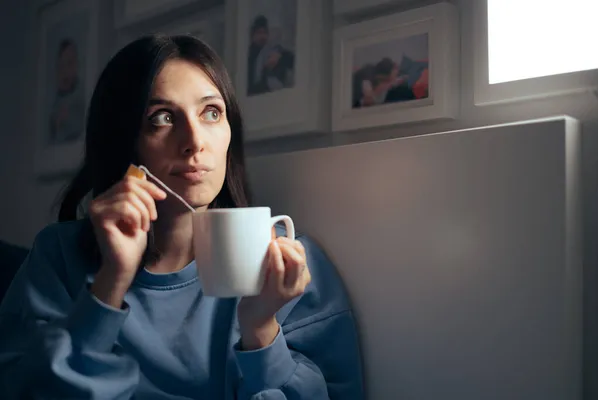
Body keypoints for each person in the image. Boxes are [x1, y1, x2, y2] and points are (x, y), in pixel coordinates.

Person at [0, 35, 364, 399]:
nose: (194, 141)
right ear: (122, 138)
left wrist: (260, 329)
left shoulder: (291, 269)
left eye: (211, 113)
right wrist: (110, 284)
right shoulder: (58, 256)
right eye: (161, 117)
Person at [48, 38, 86, 145]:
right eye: (62, 66)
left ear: (76, 65)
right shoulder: (53, 103)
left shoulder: (82, 97)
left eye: (70, 63)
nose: (66, 71)